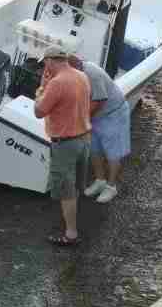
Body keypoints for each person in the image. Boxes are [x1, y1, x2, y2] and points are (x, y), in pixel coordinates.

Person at [34, 47, 92, 247]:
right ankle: (73, 221)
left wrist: (41, 88)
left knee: (65, 189)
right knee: (75, 186)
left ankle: (71, 233)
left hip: (65, 144)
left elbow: (39, 111)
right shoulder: (81, 76)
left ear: (51, 61)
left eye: (45, 62)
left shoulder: (56, 83)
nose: (44, 66)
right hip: (84, 139)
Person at [68, 55, 130, 204]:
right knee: (94, 150)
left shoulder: (92, 73)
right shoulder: (74, 74)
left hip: (113, 113)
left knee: (112, 153)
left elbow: (99, 100)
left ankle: (111, 186)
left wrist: (83, 118)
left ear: (76, 65)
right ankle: (100, 180)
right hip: (96, 116)